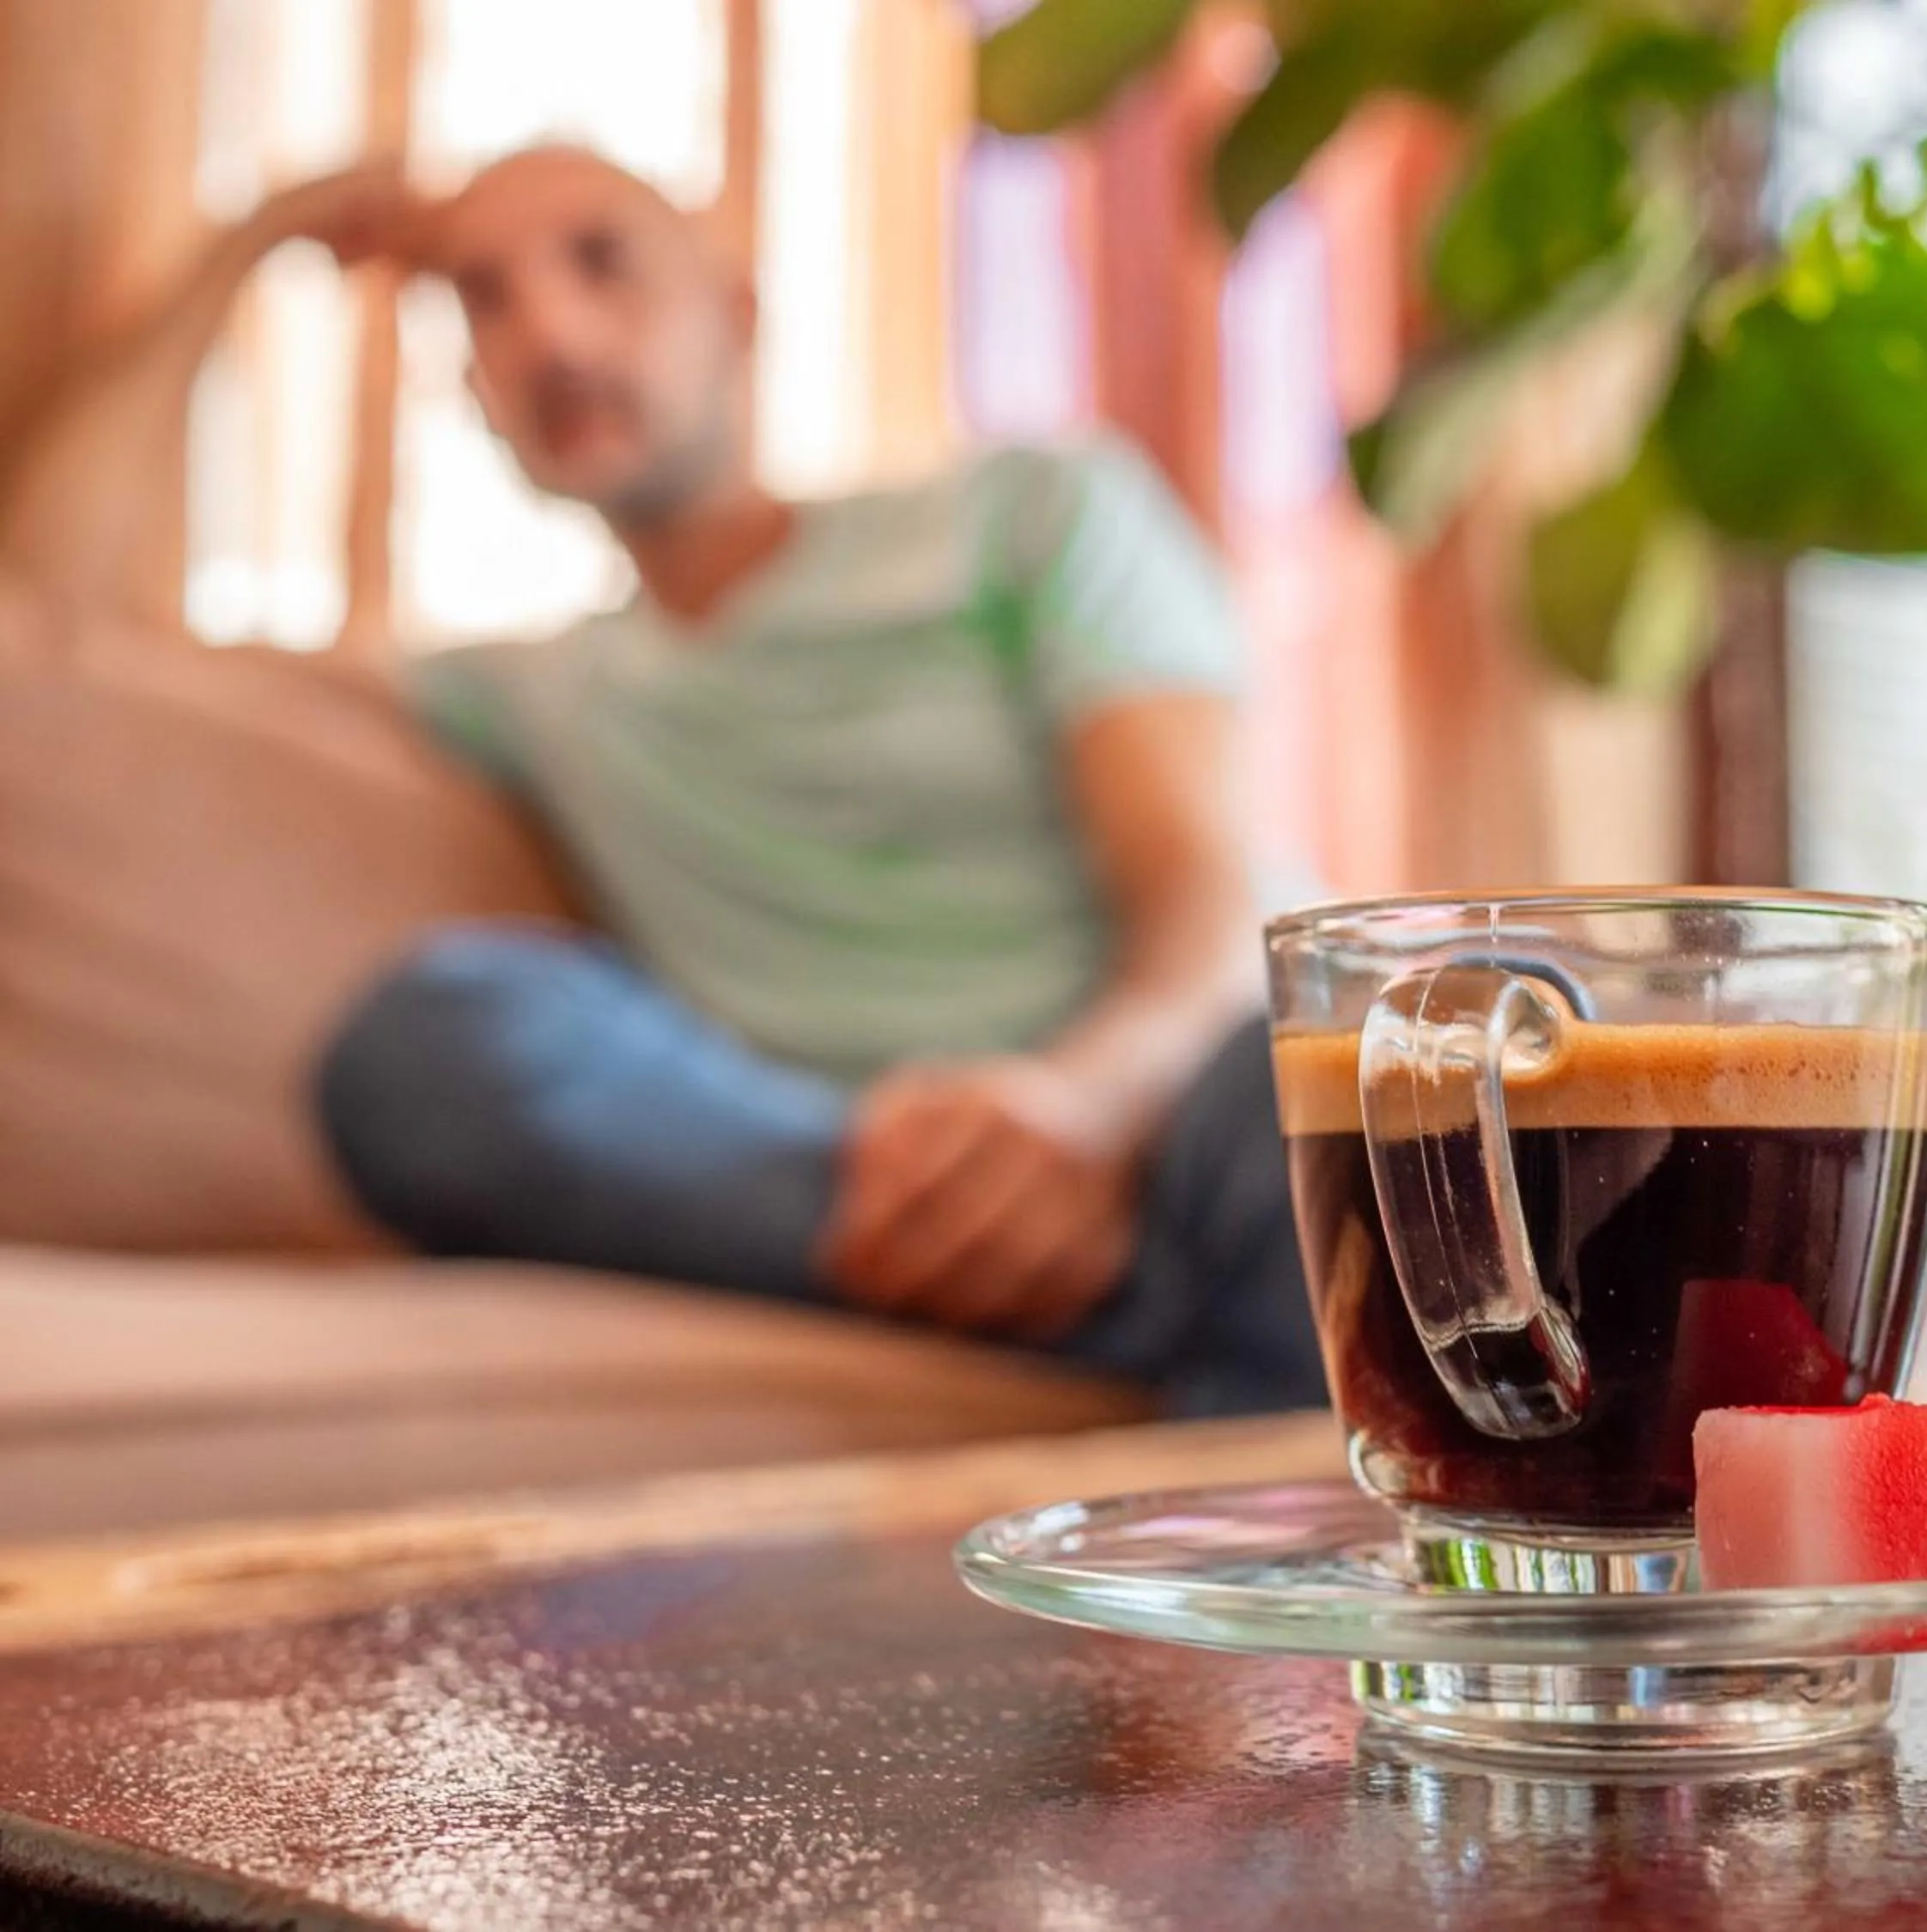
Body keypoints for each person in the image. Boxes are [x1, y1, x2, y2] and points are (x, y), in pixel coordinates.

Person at [0, 149, 1324, 1417]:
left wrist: (1076, 1113)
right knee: (435, 1035)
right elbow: (56, 609)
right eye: (484, 298)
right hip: (840, 1169)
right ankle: (1100, 1299)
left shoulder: (1033, 514)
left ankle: (1118, 1294)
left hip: (1175, 1102)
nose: (552, 337)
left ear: (736, 312)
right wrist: (254, 237)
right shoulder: (532, 689)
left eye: (602, 262)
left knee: (1339, 1078)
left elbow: (1203, 898)